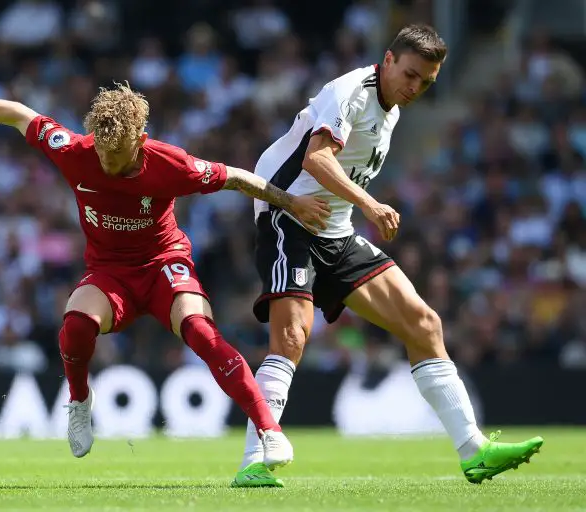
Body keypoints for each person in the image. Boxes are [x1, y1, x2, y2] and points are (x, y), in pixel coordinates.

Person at [0, 83, 332, 468]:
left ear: (140, 140)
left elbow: (237, 178)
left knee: (201, 333)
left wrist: (290, 202)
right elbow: (18, 113)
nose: (108, 163)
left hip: (164, 264)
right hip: (110, 273)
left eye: (118, 156)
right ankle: (79, 403)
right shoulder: (75, 151)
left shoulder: (171, 164)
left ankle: (270, 432)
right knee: (76, 324)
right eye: (102, 153)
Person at [232, 24, 544, 488]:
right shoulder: (350, 92)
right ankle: (253, 460)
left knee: (424, 323)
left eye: (427, 83)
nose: (415, 88)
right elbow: (316, 159)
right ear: (389, 59)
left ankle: (474, 450)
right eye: (411, 75)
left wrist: (355, 209)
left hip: (335, 232)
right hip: (290, 215)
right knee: (293, 337)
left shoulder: (392, 109)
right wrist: (370, 204)